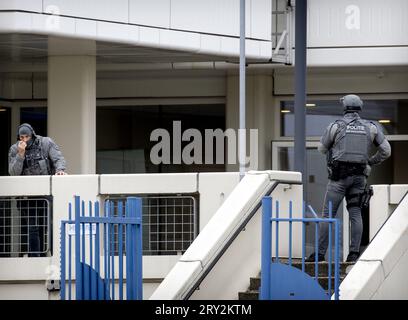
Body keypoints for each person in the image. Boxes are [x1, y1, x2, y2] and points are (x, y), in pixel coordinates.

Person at [306, 95, 391, 263]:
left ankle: (319, 255)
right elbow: (386, 151)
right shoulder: (371, 127)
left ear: (344, 108)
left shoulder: (336, 126)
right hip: (359, 178)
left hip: (338, 179)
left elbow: (322, 149)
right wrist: (370, 162)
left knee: (328, 215)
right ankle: (353, 254)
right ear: (359, 108)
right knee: (355, 213)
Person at [8, 123, 67, 256]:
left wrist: (60, 170)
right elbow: (13, 173)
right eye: (21, 137)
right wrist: (20, 154)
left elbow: (58, 158)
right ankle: (36, 258)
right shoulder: (14, 149)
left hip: (46, 193)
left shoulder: (45, 143)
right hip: (27, 196)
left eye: (27, 137)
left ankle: (55, 256)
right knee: (33, 228)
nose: (24, 140)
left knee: (50, 225)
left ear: (32, 135)